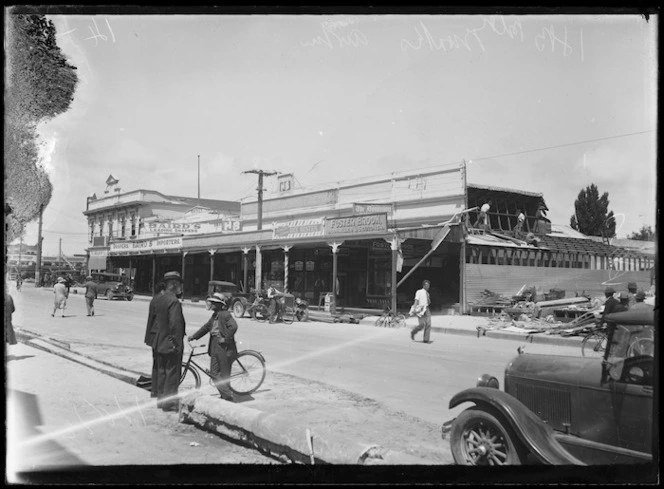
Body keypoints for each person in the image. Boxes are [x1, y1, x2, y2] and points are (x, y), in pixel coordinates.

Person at [188, 293, 238, 402]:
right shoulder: (214, 315)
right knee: (215, 373)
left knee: (223, 373)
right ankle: (226, 394)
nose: (212, 305)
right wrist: (194, 336)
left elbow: (234, 327)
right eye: (212, 302)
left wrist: (225, 339)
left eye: (215, 303)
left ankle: (227, 396)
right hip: (215, 345)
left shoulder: (225, 315)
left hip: (223, 346)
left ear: (220, 305)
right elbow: (206, 328)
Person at [151, 271, 187, 412]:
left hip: (159, 343)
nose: (180, 288)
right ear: (173, 285)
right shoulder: (174, 302)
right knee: (172, 374)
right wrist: (176, 344)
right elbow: (175, 325)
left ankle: (161, 400)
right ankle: (169, 403)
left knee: (161, 372)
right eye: (178, 285)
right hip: (171, 344)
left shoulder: (158, 299)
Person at [144, 281, 166, 399]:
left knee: (156, 364)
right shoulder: (161, 300)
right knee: (162, 365)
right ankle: (160, 391)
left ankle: (155, 390)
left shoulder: (154, 299)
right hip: (159, 336)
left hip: (153, 336)